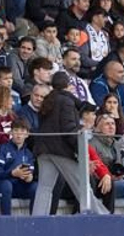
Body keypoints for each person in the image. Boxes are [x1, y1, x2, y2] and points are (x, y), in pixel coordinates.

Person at [31, 71, 92, 216]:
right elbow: (69, 130)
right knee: (82, 186)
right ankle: (99, 215)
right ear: (68, 86)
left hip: (43, 150)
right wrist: (81, 153)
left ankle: (37, 220)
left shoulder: (48, 100)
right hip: (61, 151)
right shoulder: (67, 102)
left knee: (44, 188)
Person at [0, 117, 37, 215]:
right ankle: (7, 221)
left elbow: (30, 174)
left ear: (27, 134)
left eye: (22, 131)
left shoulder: (28, 154)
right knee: (6, 185)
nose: (19, 134)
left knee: (35, 187)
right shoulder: (2, 149)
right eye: (16, 130)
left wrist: (29, 178)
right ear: (11, 132)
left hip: (16, 186)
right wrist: (12, 173)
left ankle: (33, 220)